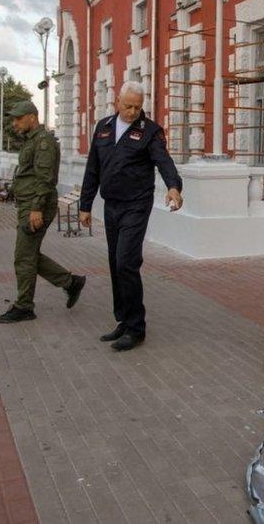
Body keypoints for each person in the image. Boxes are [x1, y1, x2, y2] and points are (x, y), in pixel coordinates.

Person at [79, 81, 184, 351]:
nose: (132, 111)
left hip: (136, 205)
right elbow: (93, 168)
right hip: (111, 205)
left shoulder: (150, 131)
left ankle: (136, 328)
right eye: (128, 106)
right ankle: (123, 321)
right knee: (115, 262)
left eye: (137, 107)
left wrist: (174, 187)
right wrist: (85, 205)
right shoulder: (103, 128)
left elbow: (164, 162)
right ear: (117, 102)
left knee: (127, 261)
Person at [0, 100, 86, 323]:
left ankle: (24, 306)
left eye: (18, 118)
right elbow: (29, 173)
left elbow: (45, 179)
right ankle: (70, 282)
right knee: (28, 255)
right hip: (29, 204)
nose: (15, 123)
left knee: (23, 257)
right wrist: (12, 191)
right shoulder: (32, 141)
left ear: (32, 117)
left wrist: (36, 209)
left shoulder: (43, 142)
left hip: (37, 207)